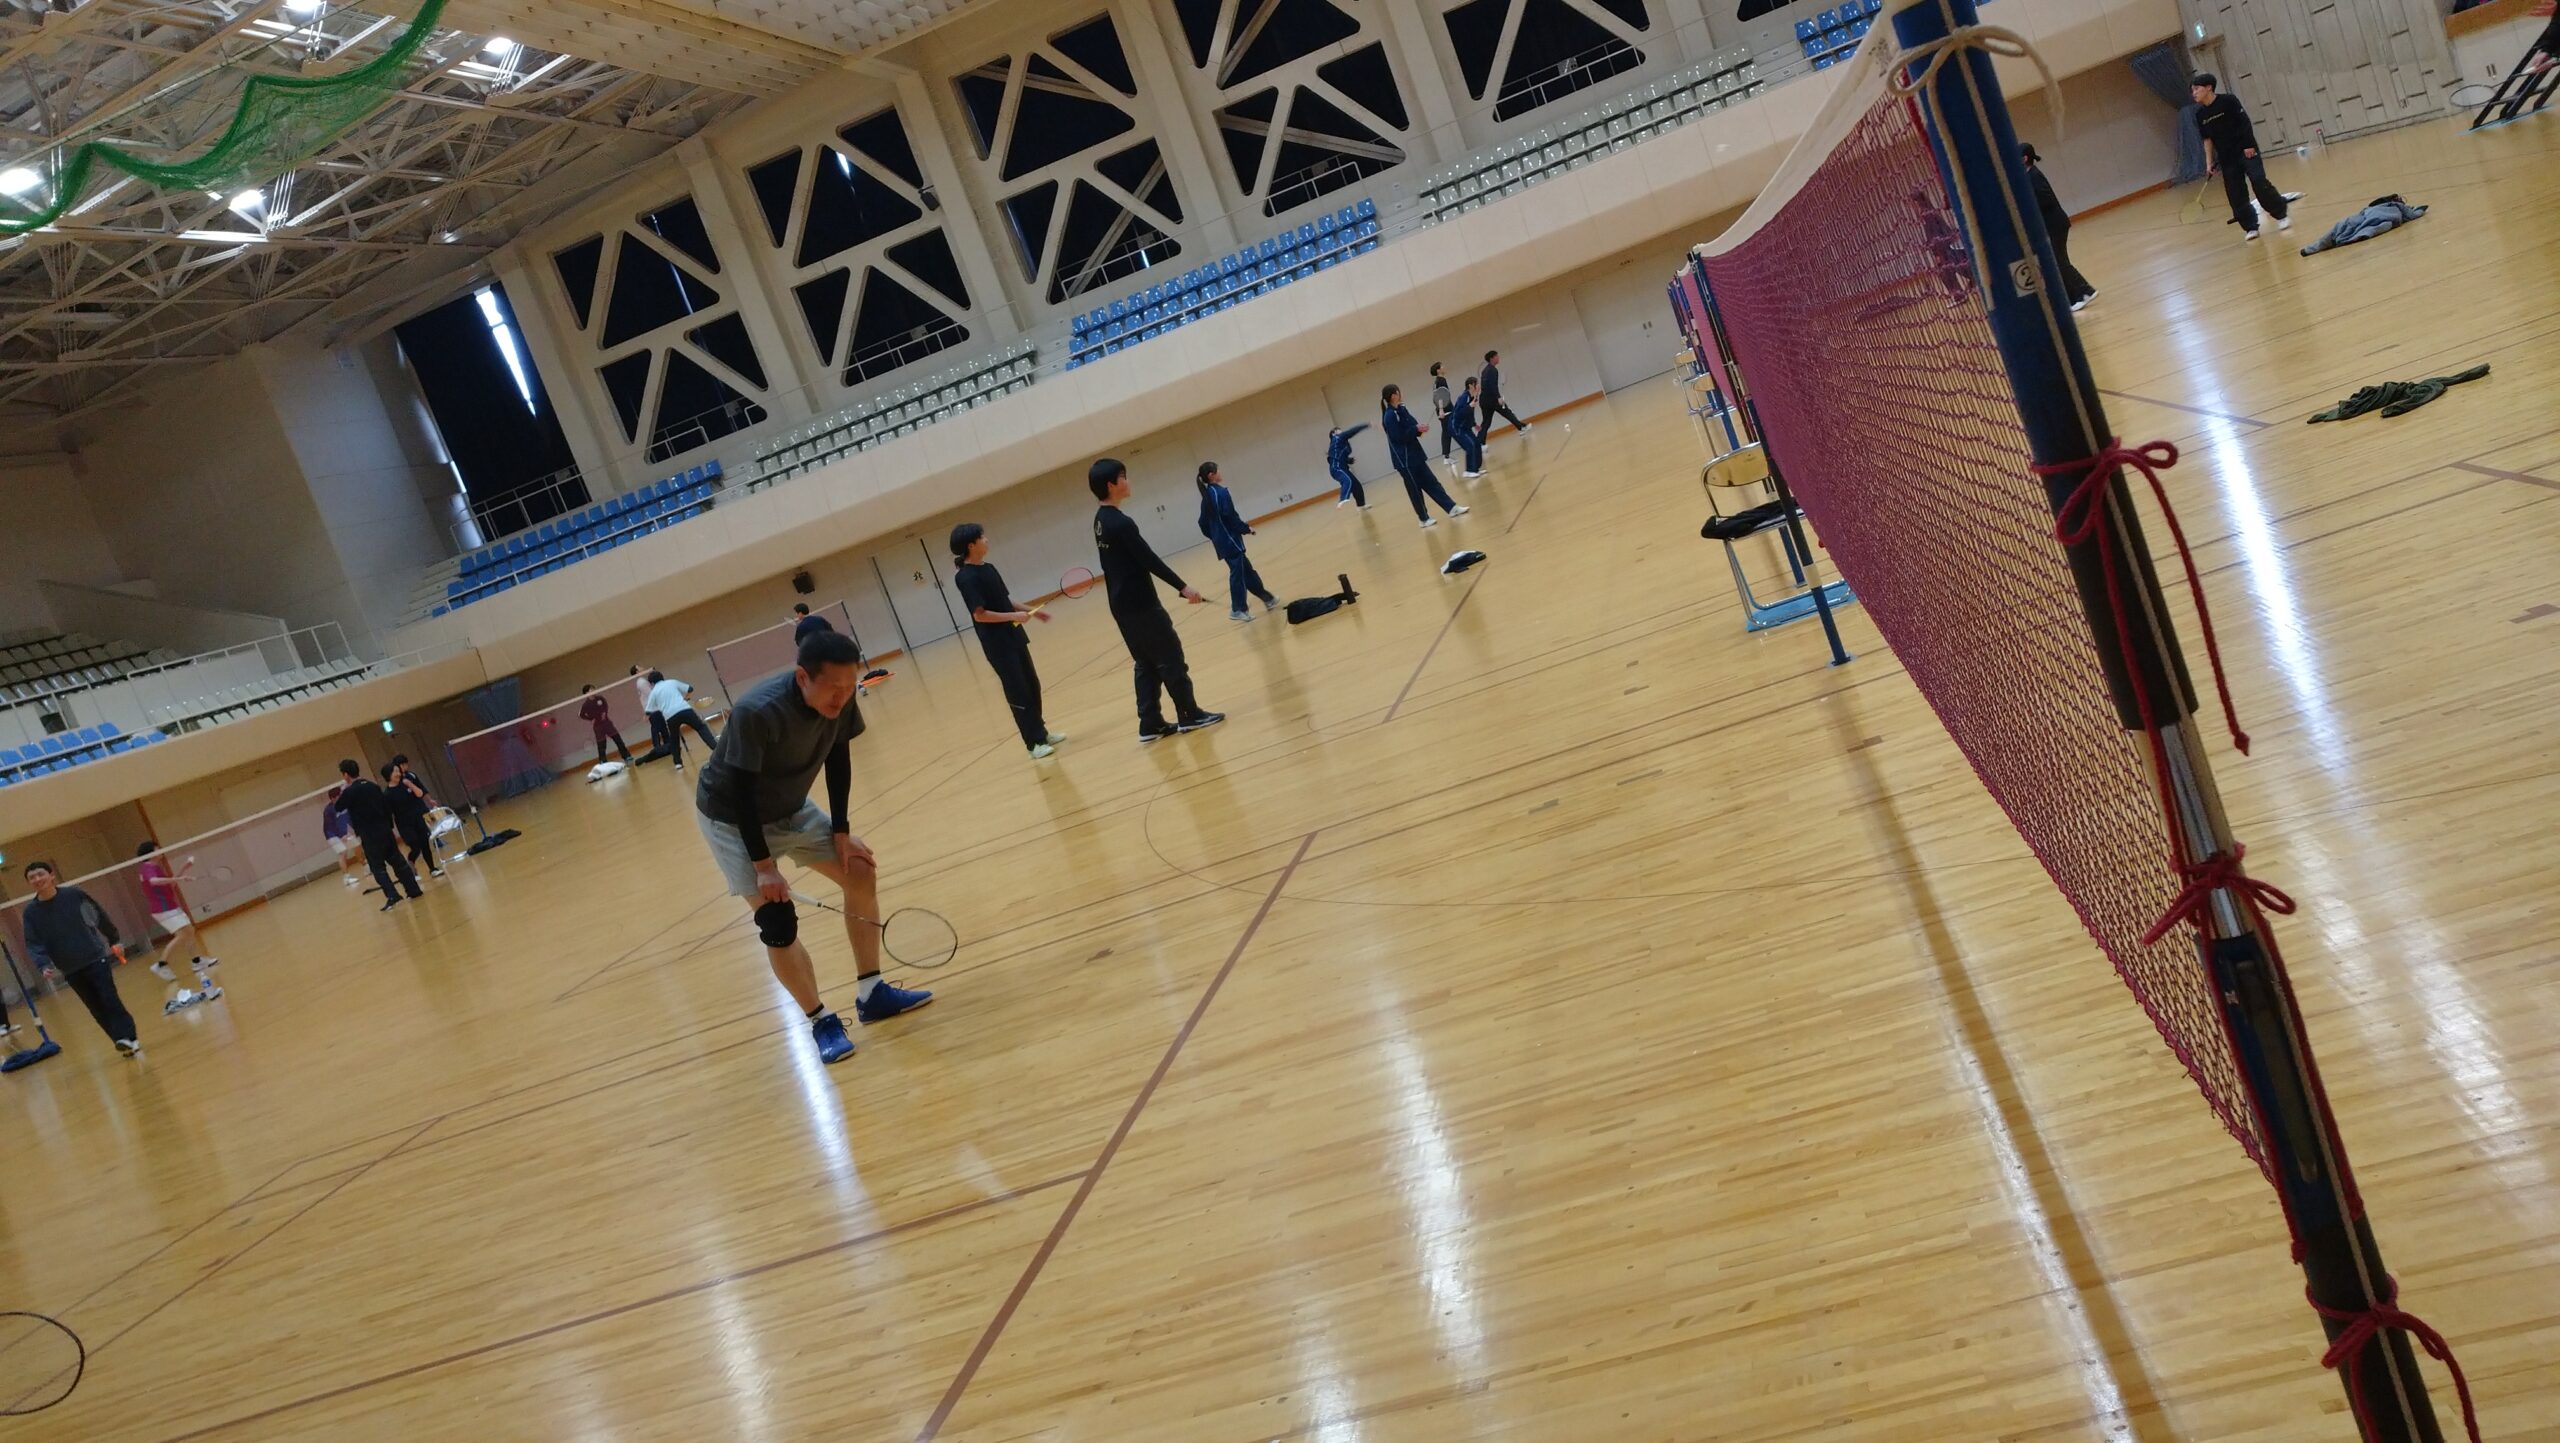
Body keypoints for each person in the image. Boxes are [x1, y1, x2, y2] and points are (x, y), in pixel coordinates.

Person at [693, 629, 931, 1065]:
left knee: (859, 870)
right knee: (777, 920)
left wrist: (841, 831)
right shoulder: (756, 712)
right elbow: (742, 793)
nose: (842, 696)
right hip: (732, 819)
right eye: (833, 687)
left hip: (791, 806)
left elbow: (838, 757)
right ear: (803, 677)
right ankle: (821, 1021)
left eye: (849, 686)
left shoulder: (841, 696)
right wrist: (764, 867)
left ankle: (872, 992)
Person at [1091, 457, 1225, 742]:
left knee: (1146, 663)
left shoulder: (1100, 520)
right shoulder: (1120, 523)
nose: (1128, 481)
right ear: (1111, 485)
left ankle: (1150, 723)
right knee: (1170, 658)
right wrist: (1183, 587)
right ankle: (1189, 715)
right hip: (1141, 605)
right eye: (1123, 477)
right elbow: (1148, 559)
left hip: (1121, 605)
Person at [950, 523, 1066, 759]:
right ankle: (1033, 744)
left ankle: (1041, 733)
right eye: (982, 537)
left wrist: (1032, 611)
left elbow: (1005, 600)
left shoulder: (989, 568)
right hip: (997, 643)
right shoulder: (965, 577)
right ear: (971, 545)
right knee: (1017, 691)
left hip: (1014, 636)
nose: (986, 540)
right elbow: (980, 615)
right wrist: (1014, 616)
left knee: (1032, 685)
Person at [19, 860, 144, 1057]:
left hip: (94, 958)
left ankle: (129, 1037)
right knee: (95, 1007)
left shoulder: (73, 895)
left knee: (109, 998)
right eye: (32, 877)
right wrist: (42, 964)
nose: (37, 879)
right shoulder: (31, 913)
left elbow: (97, 914)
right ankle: (121, 1041)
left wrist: (113, 939)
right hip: (69, 968)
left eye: (40, 874)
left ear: (52, 876)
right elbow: (33, 941)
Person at [2191, 72, 2291, 241]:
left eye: (2196, 89)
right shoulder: (2200, 114)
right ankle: (2250, 227)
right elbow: (2207, 139)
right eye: (2192, 90)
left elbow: (2244, 123)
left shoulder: (2228, 101)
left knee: (2259, 182)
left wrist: (2248, 145)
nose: (2194, 93)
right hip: (2227, 158)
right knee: (2235, 194)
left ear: (2208, 87)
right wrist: (2209, 163)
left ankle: (2281, 215)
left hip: (2246, 151)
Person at [132, 842, 220, 1004]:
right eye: (157, 849)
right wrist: (179, 877)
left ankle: (196, 962)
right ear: (150, 853)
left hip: (170, 906)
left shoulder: (156, 867)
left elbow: (169, 884)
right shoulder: (147, 867)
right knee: (182, 934)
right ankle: (161, 964)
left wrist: (184, 869)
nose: (161, 851)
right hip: (163, 909)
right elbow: (154, 881)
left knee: (190, 931)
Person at [333, 759, 423, 911]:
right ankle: (413, 890)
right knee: (398, 862)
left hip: (369, 835)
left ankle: (392, 895)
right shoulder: (373, 786)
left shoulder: (349, 791)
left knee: (378, 868)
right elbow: (386, 807)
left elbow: (338, 806)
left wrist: (343, 790)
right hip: (385, 830)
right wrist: (389, 826)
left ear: (346, 775)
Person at [1196, 463, 1278, 622]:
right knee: (1238, 575)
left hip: (1225, 541)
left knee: (1247, 571)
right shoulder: (1220, 493)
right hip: (1230, 541)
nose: (1220, 472)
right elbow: (1230, 516)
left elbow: (1202, 523)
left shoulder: (1207, 496)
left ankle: (1267, 598)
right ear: (1211, 475)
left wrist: (1215, 536)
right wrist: (1246, 528)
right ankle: (1238, 609)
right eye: (1218, 470)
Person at [1381, 384, 1469, 529]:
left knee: (1432, 483)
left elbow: (1412, 424)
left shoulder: (1401, 409)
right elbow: (1398, 437)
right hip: (1405, 461)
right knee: (1415, 490)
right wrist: (1414, 429)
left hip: (1415, 455)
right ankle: (1423, 519)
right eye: (1399, 392)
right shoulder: (1389, 416)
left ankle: (1451, 508)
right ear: (1393, 395)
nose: (1401, 393)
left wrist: (1419, 428)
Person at [2022, 143, 2097, 311]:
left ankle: (2085, 292)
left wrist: (2028, 206)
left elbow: (2046, 199)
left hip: (2055, 224)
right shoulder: (2029, 176)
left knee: (2059, 260)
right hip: (2052, 225)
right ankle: (2073, 298)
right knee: (2059, 261)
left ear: (2024, 158)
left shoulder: (2034, 176)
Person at [646, 671, 719, 771]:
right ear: (662, 677)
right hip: (685, 709)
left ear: (652, 683)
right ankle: (716, 748)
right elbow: (690, 688)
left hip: (670, 716)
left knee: (674, 738)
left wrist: (646, 716)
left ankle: (678, 763)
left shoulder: (653, 692)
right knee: (701, 728)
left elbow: (648, 711)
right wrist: (686, 698)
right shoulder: (672, 682)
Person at [384, 757, 444, 878]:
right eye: (395, 772)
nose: (398, 773)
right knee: (415, 846)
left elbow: (420, 793)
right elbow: (389, 813)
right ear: (388, 775)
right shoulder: (387, 794)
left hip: (419, 817)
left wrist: (410, 784)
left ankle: (432, 869)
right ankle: (411, 863)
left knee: (425, 844)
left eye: (398, 771)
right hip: (404, 824)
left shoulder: (407, 781)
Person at [579, 683, 634, 767]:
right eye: (591, 689)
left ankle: (627, 756)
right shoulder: (586, 704)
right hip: (598, 727)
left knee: (618, 740)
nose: (593, 690)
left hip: (607, 723)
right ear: (586, 693)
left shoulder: (600, 698)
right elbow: (581, 715)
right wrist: (590, 719)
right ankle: (603, 762)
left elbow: (605, 706)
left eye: (593, 689)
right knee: (601, 745)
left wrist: (604, 713)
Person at [1478, 350, 1529, 438]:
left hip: (1483, 400)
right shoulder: (1493, 370)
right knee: (1507, 413)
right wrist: (1498, 397)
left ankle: (1479, 442)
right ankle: (1521, 428)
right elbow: (1492, 385)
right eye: (1496, 356)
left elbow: (1487, 386)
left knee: (1486, 422)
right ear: (1491, 358)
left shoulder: (1484, 371)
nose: (1498, 358)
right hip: (1492, 400)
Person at [322, 785, 364, 888]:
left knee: (357, 845)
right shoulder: (328, 810)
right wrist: (341, 836)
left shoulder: (344, 805)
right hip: (332, 835)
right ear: (333, 798)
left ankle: (365, 865)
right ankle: (346, 878)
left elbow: (349, 819)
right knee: (343, 853)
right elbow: (330, 825)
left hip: (344, 833)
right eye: (339, 796)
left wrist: (357, 829)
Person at [1449, 376, 1487, 479]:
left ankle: (1475, 469)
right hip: (1456, 427)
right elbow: (1458, 413)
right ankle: (1469, 471)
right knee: (1470, 445)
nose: (1478, 385)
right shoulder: (1464, 397)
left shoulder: (1473, 397)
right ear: (1471, 385)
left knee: (1477, 444)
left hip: (1465, 427)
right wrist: (1469, 406)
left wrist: (1474, 424)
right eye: (1476, 383)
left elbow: (1470, 413)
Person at [1326, 423, 1370, 509]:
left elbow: (1340, 456)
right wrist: (1367, 425)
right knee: (1347, 480)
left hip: (1343, 468)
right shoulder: (1337, 438)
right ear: (1333, 434)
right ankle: (1342, 499)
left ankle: (1361, 506)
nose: (1341, 431)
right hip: (1337, 468)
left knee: (1357, 485)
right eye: (1338, 430)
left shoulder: (1341, 443)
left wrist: (1349, 460)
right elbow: (1352, 431)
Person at [633, 664, 670, 757]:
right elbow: (650, 694)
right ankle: (657, 747)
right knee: (656, 728)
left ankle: (668, 744)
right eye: (639, 667)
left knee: (662, 727)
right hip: (652, 709)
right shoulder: (641, 682)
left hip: (655, 708)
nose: (642, 667)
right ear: (636, 672)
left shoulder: (643, 680)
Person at [1429, 362, 1457, 464]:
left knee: (1447, 431)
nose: (1444, 367)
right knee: (1449, 431)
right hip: (1445, 409)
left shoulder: (1437, 381)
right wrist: (1441, 409)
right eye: (1442, 366)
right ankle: (1447, 457)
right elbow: (1440, 395)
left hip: (1445, 408)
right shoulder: (1441, 380)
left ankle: (1446, 456)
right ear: (1438, 370)